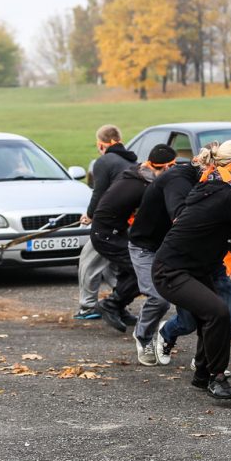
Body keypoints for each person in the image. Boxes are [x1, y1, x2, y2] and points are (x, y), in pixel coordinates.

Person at [153, 140, 231, 399]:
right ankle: (217, 377)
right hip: (171, 270)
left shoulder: (217, 186)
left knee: (212, 317)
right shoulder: (223, 193)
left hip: (198, 266)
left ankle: (202, 374)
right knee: (218, 313)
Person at [130, 145, 231, 367]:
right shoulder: (178, 179)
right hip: (149, 248)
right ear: (210, 165)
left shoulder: (227, 185)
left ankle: (204, 360)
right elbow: (181, 217)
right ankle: (143, 337)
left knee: (202, 317)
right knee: (159, 299)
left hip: (188, 253)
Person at [90, 145, 176, 336]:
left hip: (116, 231)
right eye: (171, 167)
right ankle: (111, 304)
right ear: (164, 168)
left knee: (130, 270)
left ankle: (118, 306)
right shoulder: (144, 185)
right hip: (106, 235)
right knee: (143, 271)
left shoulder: (139, 173)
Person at [72, 125, 137, 322]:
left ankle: (88, 306)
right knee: (114, 268)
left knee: (88, 262)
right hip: (125, 222)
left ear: (101, 144)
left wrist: (90, 215)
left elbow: (99, 192)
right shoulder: (131, 160)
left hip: (107, 224)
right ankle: (119, 303)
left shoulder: (103, 162)